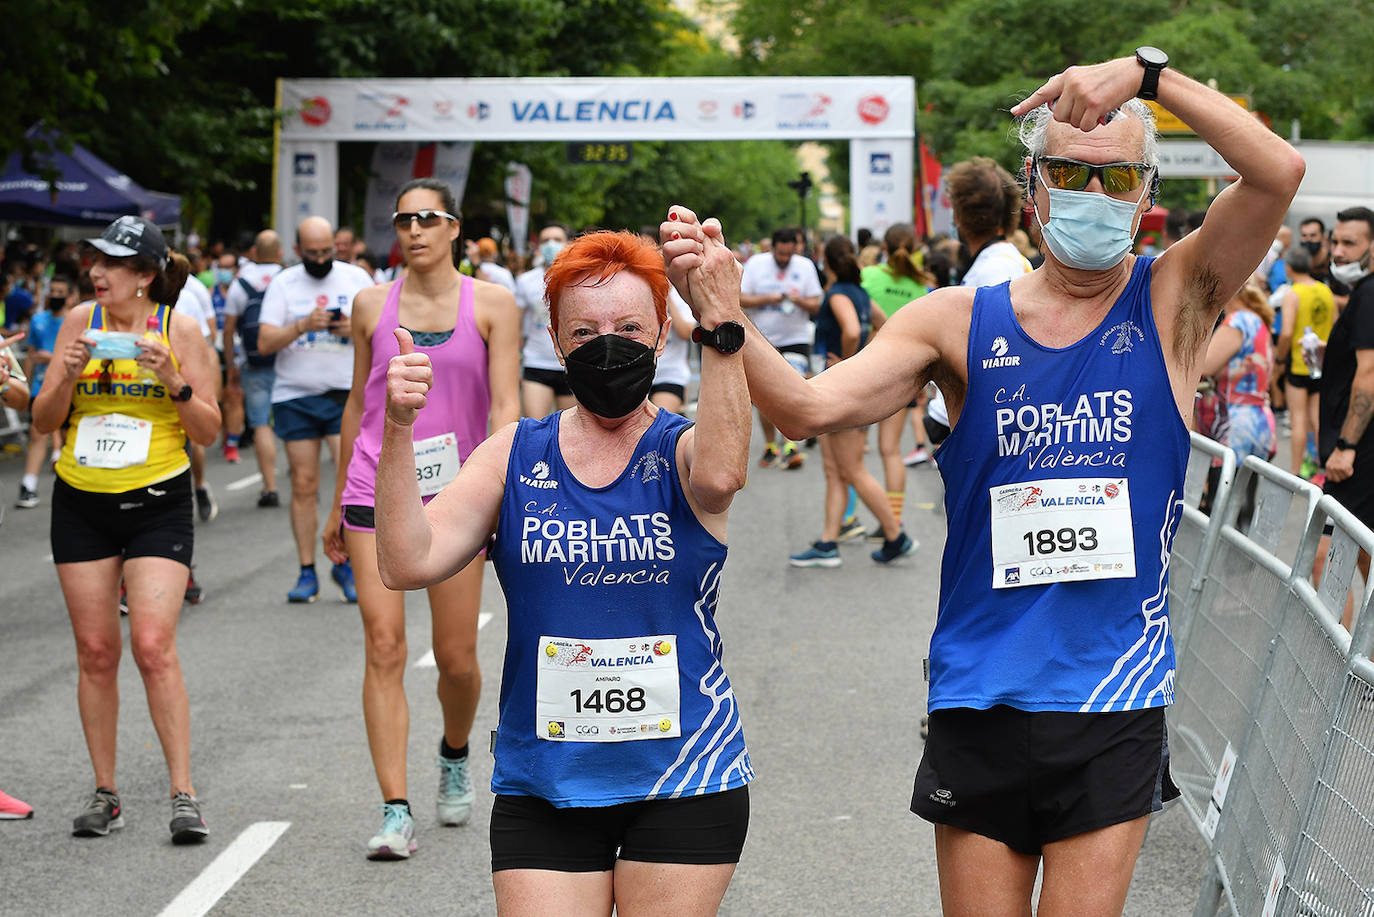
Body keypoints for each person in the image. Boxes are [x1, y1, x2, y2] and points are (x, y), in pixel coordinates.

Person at [664, 49, 1303, 915]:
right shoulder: (955, 322)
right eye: (1072, 170)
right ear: (1032, 187)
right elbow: (812, 410)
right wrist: (723, 318)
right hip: (980, 693)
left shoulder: (1175, 299)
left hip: (1112, 696)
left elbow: (1277, 171)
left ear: (1147, 198)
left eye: (1118, 175)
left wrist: (1149, 79)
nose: (1094, 192)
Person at [376, 229, 753, 915]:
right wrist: (398, 427)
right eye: (585, 330)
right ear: (556, 341)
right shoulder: (513, 454)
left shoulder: (682, 448)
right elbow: (406, 562)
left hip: (684, 772)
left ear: (663, 333)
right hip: (546, 778)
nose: (608, 343)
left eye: (630, 326)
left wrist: (724, 321)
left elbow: (725, 473)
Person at [322, 178, 521, 859]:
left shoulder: (493, 304)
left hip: (457, 498)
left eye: (428, 218)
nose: (414, 230)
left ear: (455, 227)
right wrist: (336, 499)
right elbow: (359, 402)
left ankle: (455, 749)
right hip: (375, 489)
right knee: (384, 646)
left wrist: (505, 495)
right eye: (403, 219)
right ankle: (395, 807)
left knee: (459, 659)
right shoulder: (370, 304)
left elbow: (504, 407)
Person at [32, 215, 225, 843]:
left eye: (112, 263)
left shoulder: (180, 329)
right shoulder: (76, 324)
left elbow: (209, 429)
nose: (96, 272)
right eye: (94, 261)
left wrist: (174, 381)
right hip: (81, 500)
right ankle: (106, 791)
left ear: (145, 276)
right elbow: (42, 421)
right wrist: (63, 372)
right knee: (94, 652)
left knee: (150, 644)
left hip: (157, 501)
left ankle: (184, 793)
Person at [257, 217, 372, 602]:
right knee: (304, 484)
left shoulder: (356, 278)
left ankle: (346, 564)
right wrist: (303, 325)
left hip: (345, 394)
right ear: (297, 250)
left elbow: (382, 327)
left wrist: (351, 328)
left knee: (348, 488)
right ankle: (307, 570)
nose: (321, 259)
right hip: (296, 395)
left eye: (327, 252)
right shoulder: (283, 283)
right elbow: (264, 341)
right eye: (313, 254)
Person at [789, 236, 915, 568]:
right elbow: (883, 325)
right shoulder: (859, 293)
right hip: (845, 391)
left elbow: (848, 329)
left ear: (825, 263)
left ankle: (895, 534)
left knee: (853, 469)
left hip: (840, 391)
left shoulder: (838, 294)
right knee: (835, 470)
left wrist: (847, 364)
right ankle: (828, 542)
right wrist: (865, 359)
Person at [1316, 206, 1374, 629]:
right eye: (1335, 241)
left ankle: (1343, 674)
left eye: (1350, 243)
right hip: (1358, 454)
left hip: (1356, 456)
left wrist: (1346, 446)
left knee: (1325, 557)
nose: (1338, 251)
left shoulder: (1370, 293)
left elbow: (1370, 377)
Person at [860, 223, 933, 508]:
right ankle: (895, 519)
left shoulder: (867, 276)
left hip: (862, 370)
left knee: (848, 457)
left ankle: (846, 520)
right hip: (903, 375)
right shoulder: (923, 287)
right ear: (915, 250)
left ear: (884, 248)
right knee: (890, 451)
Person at [739, 226, 821, 469]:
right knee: (765, 396)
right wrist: (767, 299)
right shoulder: (756, 264)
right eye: (780, 255)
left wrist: (798, 300)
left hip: (795, 337)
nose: (785, 260)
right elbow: (739, 298)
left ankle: (790, 444)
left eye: (789, 255)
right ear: (772, 248)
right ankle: (770, 446)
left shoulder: (805, 266)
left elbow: (816, 305)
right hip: (762, 338)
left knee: (791, 390)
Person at [222, 230, 285, 507]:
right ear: (280, 253)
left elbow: (228, 329)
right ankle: (305, 475)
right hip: (288, 363)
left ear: (255, 254)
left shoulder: (241, 283)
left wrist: (230, 366)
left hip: (255, 363)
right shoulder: (289, 279)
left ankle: (269, 487)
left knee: (261, 425)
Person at [1202, 285, 1278, 465]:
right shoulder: (1257, 321)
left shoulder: (1237, 322)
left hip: (1235, 427)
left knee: (1222, 491)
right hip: (1259, 422)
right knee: (1246, 491)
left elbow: (1205, 366)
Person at [1276, 246, 1334, 477]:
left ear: (1289, 267)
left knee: (1298, 419)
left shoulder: (1293, 293)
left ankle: (1294, 472)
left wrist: (1280, 359)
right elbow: (1334, 325)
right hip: (1322, 363)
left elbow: (1287, 332)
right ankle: (1321, 467)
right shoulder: (1324, 290)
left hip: (1299, 364)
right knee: (1317, 419)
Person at [16, 273, 73, 508]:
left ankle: (73, 487)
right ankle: (28, 485)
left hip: (69, 387)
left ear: (70, 297)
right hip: (41, 386)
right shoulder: (38, 320)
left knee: (70, 436)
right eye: (54, 292)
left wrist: (52, 358)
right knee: (37, 433)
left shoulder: (75, 321)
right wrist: (25, 386)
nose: (56, 296)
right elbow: (30, 355)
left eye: (61, 293)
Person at [513, 222, 575, 418]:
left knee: (570, 437)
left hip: (572, 365)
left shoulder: (581, 279)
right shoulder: (526, 281)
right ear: (538, 246)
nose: (551, 244)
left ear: (568, 244)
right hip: (536, 363)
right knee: (535, 430)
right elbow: (515, 326)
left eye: (557, 240)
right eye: (545, 240)